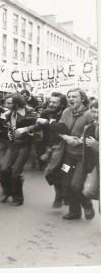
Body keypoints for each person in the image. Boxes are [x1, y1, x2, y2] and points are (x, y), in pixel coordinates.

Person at [51, 88, 95, 220]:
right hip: (68, 155)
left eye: (74, 96)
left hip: (82, 157)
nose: (71, 99)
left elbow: (94, 133)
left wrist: (80, 141)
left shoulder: (89, 114)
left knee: (76, 185)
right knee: (65, 182)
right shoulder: (66, 111)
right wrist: (66, 138)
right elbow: (59, 129)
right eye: (69, 96)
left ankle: (87, 204)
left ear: (82, 98)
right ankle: (74, 212)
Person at [0, 93, 37, 206]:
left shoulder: (29, 111)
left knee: (15, 171)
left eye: (9, 103)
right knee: (3, 169)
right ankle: (8, 192)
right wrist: (7, 133)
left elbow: (38, 125)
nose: (6, 105)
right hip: (13, 144)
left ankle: (18, 197)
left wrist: (25, 129)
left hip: (25, 145)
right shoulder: (7, 113)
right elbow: (3, 126)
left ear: (17, 103)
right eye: (6, 103)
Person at [35, 92, 68, 207]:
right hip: (50, 148)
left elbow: (63, 129)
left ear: (62, 105)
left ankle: (62, 196)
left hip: (65, 148)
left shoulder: (66, 113)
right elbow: (38, 128)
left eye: (55, 102)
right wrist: (27, 128)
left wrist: (48, 122)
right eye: (50, 101)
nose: (51, 104)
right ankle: (61, 194)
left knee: (60, 172)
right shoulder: (45, 112)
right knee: (52, 173)